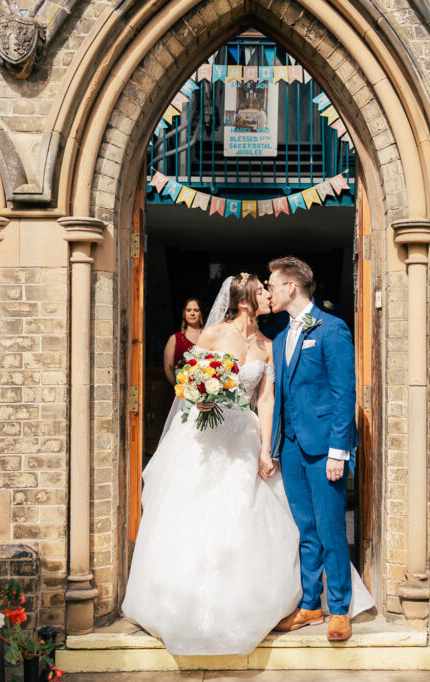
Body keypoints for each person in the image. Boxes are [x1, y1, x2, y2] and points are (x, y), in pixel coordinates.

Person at [122, 273, 372, 656]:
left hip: (245, 437)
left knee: (261, 516)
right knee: (195, 514)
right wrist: (198, 399)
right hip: (204, 439)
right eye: (261, 291)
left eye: (271, 288)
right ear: (244, 302)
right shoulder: (213, 335)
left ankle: (316, 605)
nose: (268, 295)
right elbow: (189, 381)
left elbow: (267, 400)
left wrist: (265, 450)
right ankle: (179, 602)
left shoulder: (270, 343)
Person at [267, 255, 359, 642]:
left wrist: (340, 450)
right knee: (305, 529)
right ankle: (310, 604)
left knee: (331, 529)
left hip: (323, 448)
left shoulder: (332, 329)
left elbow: (344, 393)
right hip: (290, 448)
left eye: (271, 285)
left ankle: (339, 609)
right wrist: (273, 449)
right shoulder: (278, 337)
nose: (268, 291)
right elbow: (281, 398)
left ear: (291, 287)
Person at [163, 298, 203, 385]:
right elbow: (168, 369)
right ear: (184, 313)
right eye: (188, 310)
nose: (192, 313)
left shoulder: (207, 336)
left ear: (200, 314)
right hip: (179, 393)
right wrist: (181, 390)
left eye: (196, 310)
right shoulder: (174, 339)